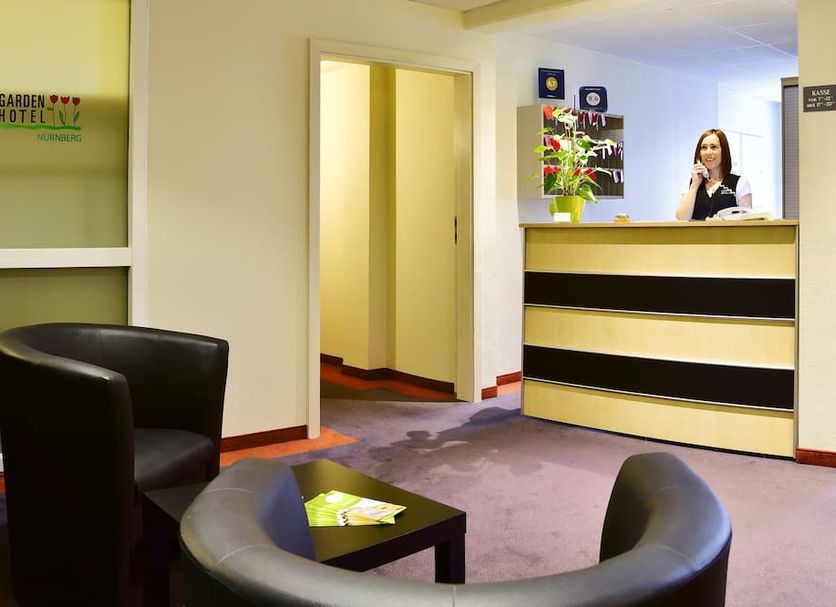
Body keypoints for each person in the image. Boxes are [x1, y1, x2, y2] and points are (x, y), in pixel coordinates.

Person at [675, 129, 752, 220]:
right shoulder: (690, 183)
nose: (708, 152)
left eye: (713, 147)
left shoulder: (740, 183)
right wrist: (694, 185)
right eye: (704, 148)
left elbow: (747, 222)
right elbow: (682, 219)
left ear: (724, 151)